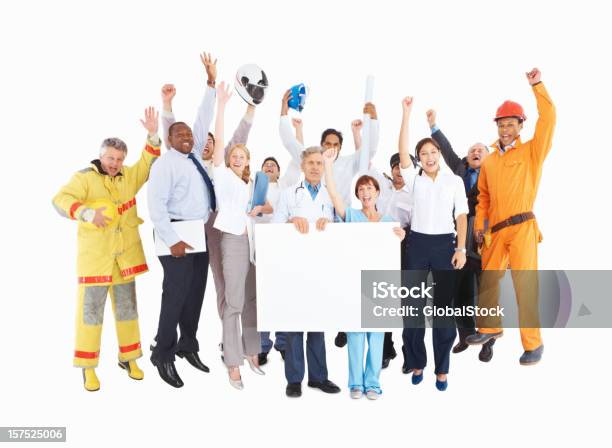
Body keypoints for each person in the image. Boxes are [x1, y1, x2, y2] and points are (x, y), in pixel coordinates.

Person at [52, 107, 161, 391]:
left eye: (120, 159)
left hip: (124, 260)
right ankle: (88, 367)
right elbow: (60, 199)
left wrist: (152, 133)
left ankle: (129, 359)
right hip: (95, 262)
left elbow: (148, 161)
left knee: (128, 312)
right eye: (111, 158)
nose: (115, 163)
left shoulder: (128, 177)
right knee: (90, 316)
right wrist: (87, 213)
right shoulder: (84, 178)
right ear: (101, 156)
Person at [160, 54, 257, 333]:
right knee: (188, 282)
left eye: (213, 144)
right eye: (205, 142)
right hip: (189, 223)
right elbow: (174, 135)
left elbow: (239, 138)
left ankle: (232, 336)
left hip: (217, 222)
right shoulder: (186, 159)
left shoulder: (222, 167)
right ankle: (178, 334)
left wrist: (251, 108)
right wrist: (167, 106)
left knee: (225, 277)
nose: (207, 145)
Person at [465, 68, 556, 366]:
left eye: (510, 124)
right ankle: (489, 328)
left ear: (520, 126)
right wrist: (480, 228)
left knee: (524, 285)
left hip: (522, 227)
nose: (505, 129)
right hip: (496, 232)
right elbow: (484, 198)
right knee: (489, 282)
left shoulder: (532, 151)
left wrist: (537, 86)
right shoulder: (489, 161)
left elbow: (549, 119)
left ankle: (534, 344)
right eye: (501, 124)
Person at [147, 81, 217, 387]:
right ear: (169, 139)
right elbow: (156, 207)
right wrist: (173, 240)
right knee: (174, 297)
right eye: (181, 134)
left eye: (189, 134)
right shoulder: (165, 165)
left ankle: (188, 344)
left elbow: (204, 117)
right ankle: (163, 353)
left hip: (197, 233)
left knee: (195, 294)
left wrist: (211, 85)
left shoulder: (194, 157)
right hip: (174, 234)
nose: (188, 137)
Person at [398, 96, 468, 391]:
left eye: (432, 152)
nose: (428, 157)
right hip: (417, 244)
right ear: (419, 158)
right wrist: (406, 113)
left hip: (444, 246)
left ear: (439, 153)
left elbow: (462, 216)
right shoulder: (414, 179)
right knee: (411, 307)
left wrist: (461, 249)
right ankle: (416, 361)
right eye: (423, 153)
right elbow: (402, 151)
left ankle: (441, 369)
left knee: (443, 310)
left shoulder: (454, 181)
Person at [323, 148, 405, 400]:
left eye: (369, 188)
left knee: (377, 336)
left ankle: (373, 383)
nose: (365, 192)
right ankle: (355, 384)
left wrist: (400, 237)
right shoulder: (351, 216)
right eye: (361, 189)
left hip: (380, 284)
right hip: (354, 283)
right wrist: (328, 164)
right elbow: (334, 194)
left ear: (378, 192)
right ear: (358, 195)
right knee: (356, 335)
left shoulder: (389, 221)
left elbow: (393, 255)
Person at [213, 82, 272, 389]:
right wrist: (222, 106)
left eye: (242, 156)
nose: (237, 158)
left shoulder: (250, 183)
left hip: (251, 243)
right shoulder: (222, 176)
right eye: (233, 155)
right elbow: (223, 139)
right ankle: (233, 362)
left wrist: (260, 207)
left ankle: (253, 354)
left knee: (251, 301)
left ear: (248, 161)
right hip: (233, 241)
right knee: (233, 304)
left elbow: (263, 206)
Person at [426, 109, 496, 362]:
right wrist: (433, 126)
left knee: (485, 293)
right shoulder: (459, 169)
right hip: (460, 236)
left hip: (485, 237)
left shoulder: (496, 173)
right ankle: (466, 335)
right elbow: (445, 148)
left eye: (481, 150)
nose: (475, 152)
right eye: (472, 150)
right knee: (458, 291)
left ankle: (488, 339)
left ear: (489, 156)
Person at [272, 146, 341, 398]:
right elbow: (275, 224)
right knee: (293, 323)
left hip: (321, 267)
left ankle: (318, 377)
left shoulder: (329, 195)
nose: (314, 167)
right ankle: (294, 379)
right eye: (310, 163)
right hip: (294, 267)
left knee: (317, 323)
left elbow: (342, 225)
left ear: (324, 167)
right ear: (302, 167)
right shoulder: (289, 194)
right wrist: (290, 222)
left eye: (319, 163)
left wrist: (329, 224)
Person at [279, 90, 379, 207]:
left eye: (336, 144)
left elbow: (370, 150)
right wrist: (284, 111)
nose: (332, 147)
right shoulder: (311, 160)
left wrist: (373, 119)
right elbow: (289, 142)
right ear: (322, 145)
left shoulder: (349, 162)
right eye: (328, 143)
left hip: (342, 218)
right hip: (316, 216)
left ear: (340, 147)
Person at [367, 151, 414, 369]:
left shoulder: (415, 192)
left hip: (404, 246)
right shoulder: (382, 187)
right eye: (395, 165)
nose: (399, 170)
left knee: (406, 303)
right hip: (377, 246)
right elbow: (365, 159)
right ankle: (385, 349)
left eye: (403, 166)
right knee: (381, 299)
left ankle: (410, 351)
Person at [256, 149, 302, 364]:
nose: (269, 166)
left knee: (284, 295)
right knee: (264, 297)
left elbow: (296, 159)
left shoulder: (285, 186)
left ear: (279, 172)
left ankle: (283, 343)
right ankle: (262, 345)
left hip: (283, 248)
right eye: (265, 164)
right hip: (260, 247)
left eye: (273, 164)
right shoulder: (253, 187)